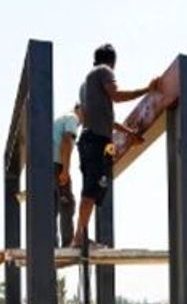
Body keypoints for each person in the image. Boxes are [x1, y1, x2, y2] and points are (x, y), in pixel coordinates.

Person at [70, 43, 161, 248]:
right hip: (97, 141)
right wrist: (148, 89)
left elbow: (105, 119)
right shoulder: (104, 71)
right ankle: (79, 238)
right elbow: (117, 96)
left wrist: (129, 133)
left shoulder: (86, 85)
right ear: (113, 61)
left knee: (92, 189)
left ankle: (79, 236)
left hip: (89, 139)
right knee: (91, 190)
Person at [52, 104, 84, 247]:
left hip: (46, 167)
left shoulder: (62, 118)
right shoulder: (72, 118)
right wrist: (65, 170)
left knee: (52, 206)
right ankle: (68, 242)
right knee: (67, 204)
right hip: (57, 165)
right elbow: (66, 141)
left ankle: (51, 244)